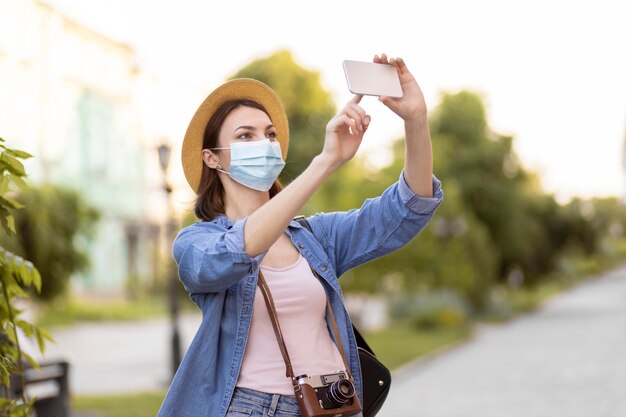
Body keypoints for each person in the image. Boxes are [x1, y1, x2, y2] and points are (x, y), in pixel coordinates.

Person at [156, 54, 443, 417]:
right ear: (212, 158)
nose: (264, 143)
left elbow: (405, 210)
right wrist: (324, 163)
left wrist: (416, 120)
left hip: (332, 406)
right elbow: (239, 251)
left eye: (270, 134)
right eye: (246, 136)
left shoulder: (313, 236)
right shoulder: (196, 243)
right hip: (255, 408)